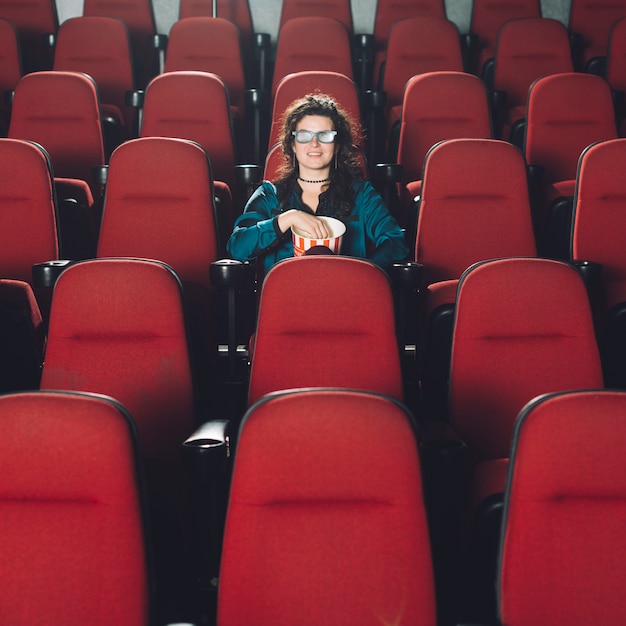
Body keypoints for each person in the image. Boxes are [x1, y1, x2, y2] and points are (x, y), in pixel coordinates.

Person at [226, 94, 409, 277]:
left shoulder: (361, 193)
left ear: (337, 145)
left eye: (325, 136)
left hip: (347, 295)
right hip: (284, 297)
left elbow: (396, 243)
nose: (314, 143)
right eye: (304, 136)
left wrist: (359, 274)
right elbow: (237, 247)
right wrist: (287, 219)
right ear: (293, 145)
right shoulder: (269, 194)